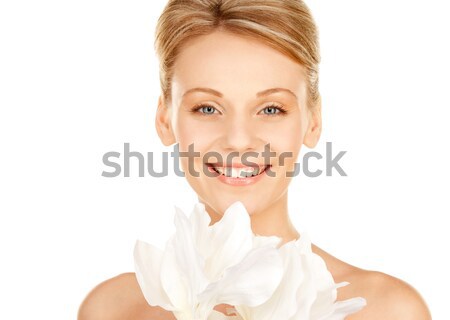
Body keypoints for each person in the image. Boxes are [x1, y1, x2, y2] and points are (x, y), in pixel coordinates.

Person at [78, 0, 431, 319]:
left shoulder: (386, 310)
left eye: (271, 108)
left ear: (313, 122)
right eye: (207, 108)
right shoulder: (113, 309)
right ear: (164, 120)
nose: (238, 141)